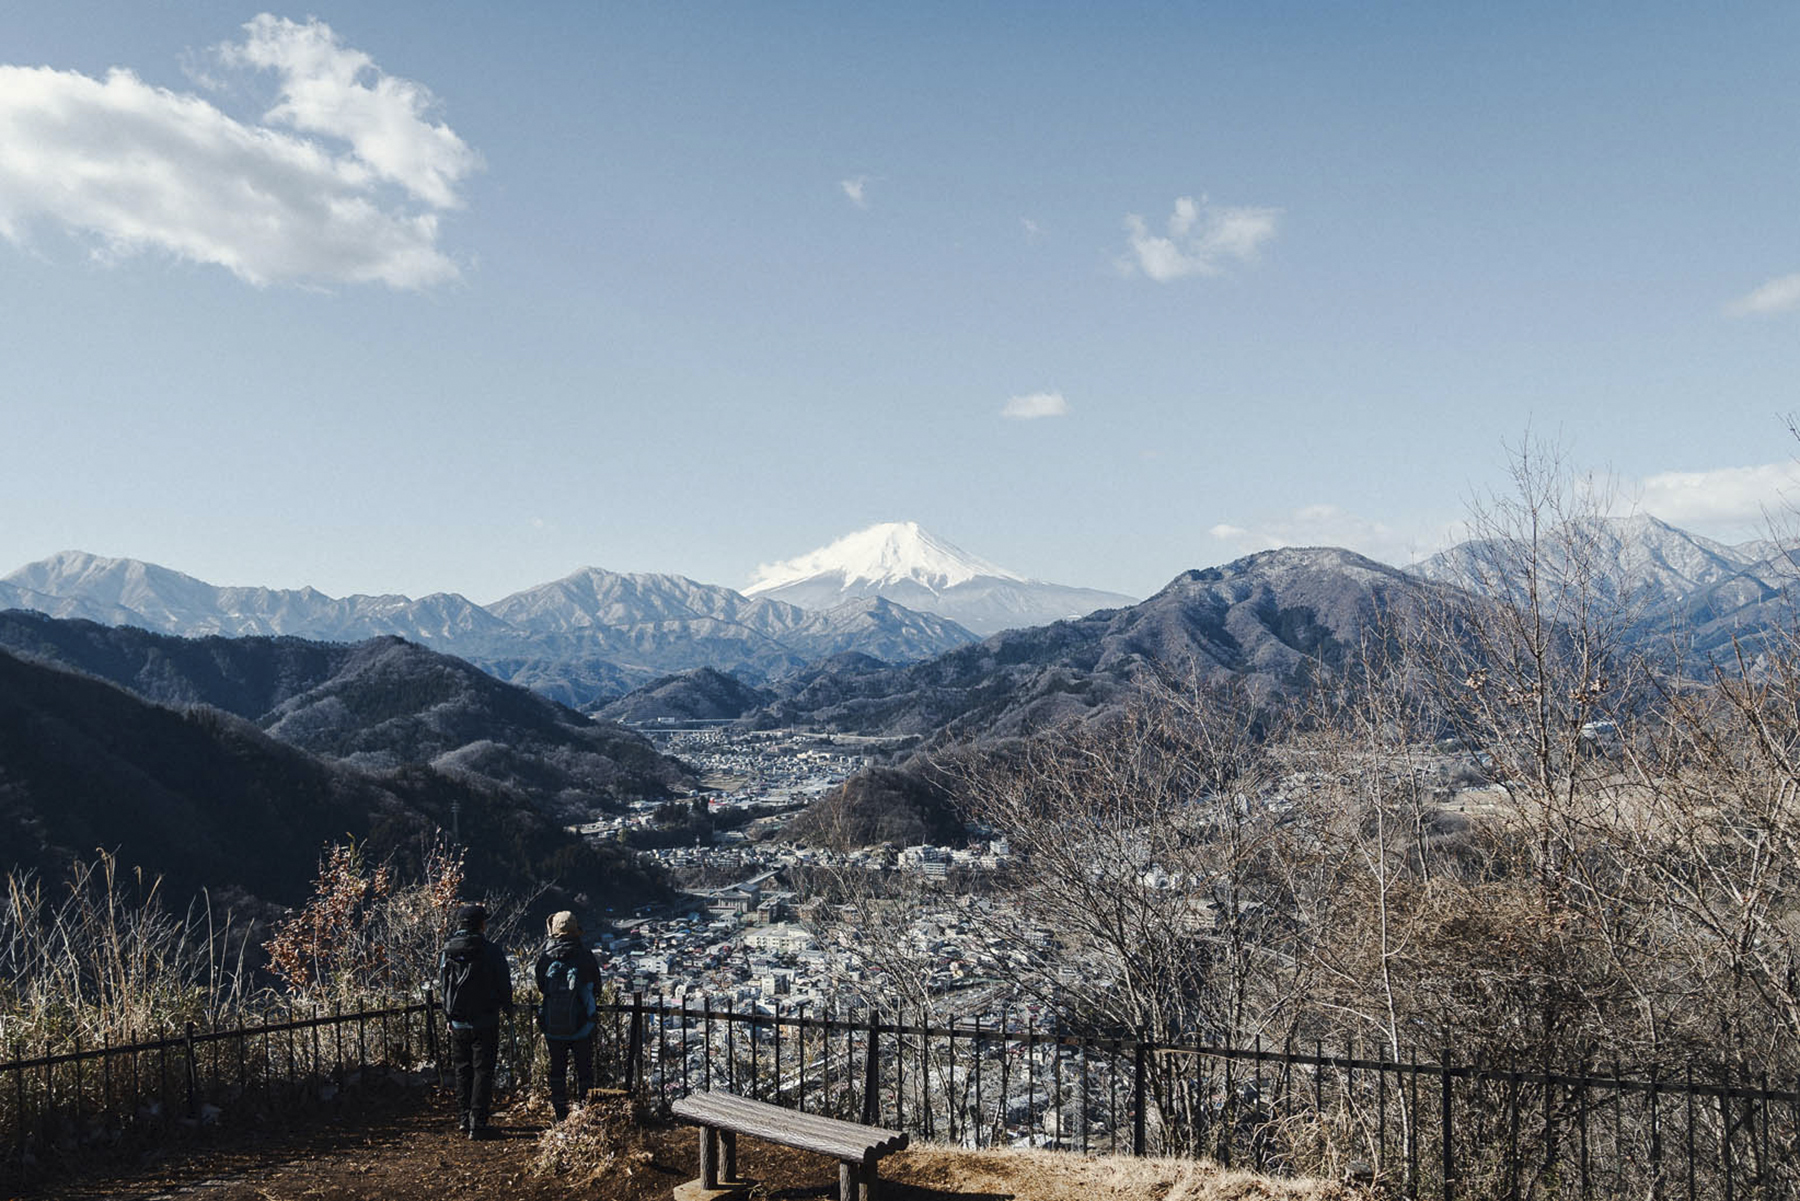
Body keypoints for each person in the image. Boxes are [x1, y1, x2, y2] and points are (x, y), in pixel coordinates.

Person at [439, 903, 513, 1138]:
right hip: (486, 1019)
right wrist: (507, 1008)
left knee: (463, 1070)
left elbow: (443, 985)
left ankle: (463, 1118)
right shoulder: (490, 951)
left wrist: (448, 1016)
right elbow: (503, 983)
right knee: (483, 1070)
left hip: (458, 1020)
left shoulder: (448, 951)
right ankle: (478, 1122)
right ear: (481, 924)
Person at [533, 910, 601, 1120]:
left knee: (557, 1070)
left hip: (553, 1025)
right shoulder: (585, 956)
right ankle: (584, 1110)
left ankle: (560, 1113)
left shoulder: (545, 958)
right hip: (582, 1024)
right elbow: (596, 988)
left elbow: (542, 986)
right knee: (584, 1070)